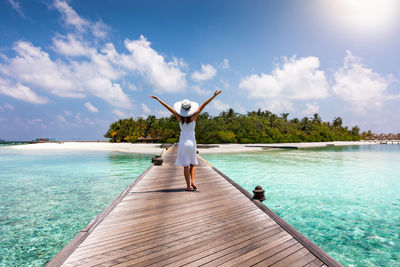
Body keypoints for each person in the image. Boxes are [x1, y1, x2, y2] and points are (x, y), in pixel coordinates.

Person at [149, 90, 222, 191]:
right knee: (193, 163)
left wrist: (158, 99)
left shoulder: (179, 118)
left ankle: (188, 186)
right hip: (192, 143)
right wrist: (214, 96)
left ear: (182, 109)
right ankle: (193, 182)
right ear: (190, 108)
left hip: (183, 144)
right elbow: (204, 104)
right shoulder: (194, 117)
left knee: (186, 166)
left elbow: (168, 108)